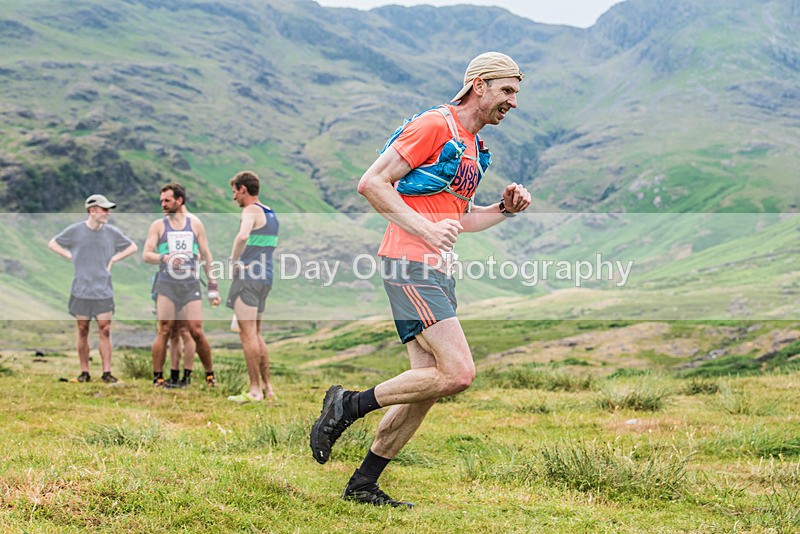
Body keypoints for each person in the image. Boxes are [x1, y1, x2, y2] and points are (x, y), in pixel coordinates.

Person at [309, 52, 531, 507]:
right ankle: (347, 405)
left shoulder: (474, 147)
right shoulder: (435, 125)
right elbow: (372, 183)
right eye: (507, 90)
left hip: (436, 268)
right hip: (410, 262)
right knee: (458, 372)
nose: (513, 101)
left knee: (427, 383)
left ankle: (363, 484)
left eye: (516, 93)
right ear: (479, 85)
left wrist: (503, 210)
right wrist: (427, 231)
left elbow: (458, 218)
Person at [48, 194, 138, 383]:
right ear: (92, 210)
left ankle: (106, 373)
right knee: (82, 329)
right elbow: (53, 243)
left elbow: (133, 247)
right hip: (81, 289)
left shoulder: (112, 232)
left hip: (103, 290)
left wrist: (114, 258)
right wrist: (69, 256)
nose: (107, 213)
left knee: (105, 329)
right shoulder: (75, 231)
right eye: (104, 209)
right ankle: (85, 372)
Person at [142, 183, 219, 387]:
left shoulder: (195, 224)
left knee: (195, 329)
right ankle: (158, 377)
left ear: (179, 200)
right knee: (165, 329)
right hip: (166, 283)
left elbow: (206, 254)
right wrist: (164, 257)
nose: (163, 204)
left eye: (167, 200)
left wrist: (213, 284)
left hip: (190, 282)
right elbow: (146, 254)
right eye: (161, 201)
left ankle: (209, 375)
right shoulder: (158, 225)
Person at [225, 171, 279, 403]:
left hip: (247, 277)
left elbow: (242, 237)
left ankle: (255, 390)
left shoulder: (250, 211)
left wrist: (233, 262)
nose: (234, 197)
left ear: (244, 189)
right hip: (265, 277)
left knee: (247, 335)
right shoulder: (271, 213)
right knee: (256, 334)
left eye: (235, 191)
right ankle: (268, 389)